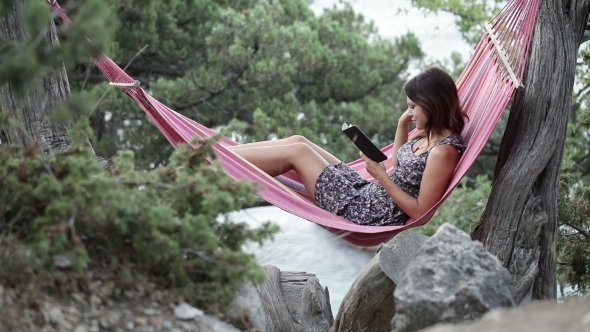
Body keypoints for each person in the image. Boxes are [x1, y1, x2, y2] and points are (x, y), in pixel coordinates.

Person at [229, 67, 467, 226]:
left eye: (413, 107)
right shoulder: (427, 134)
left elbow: (421, 213)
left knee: (298, 152)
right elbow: (400, 164)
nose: (409, 113)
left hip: (366, 212)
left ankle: (216, 159)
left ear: (433, 105)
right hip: (365, 192)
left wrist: (381, 177)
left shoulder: (443, 152)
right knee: (299, 140)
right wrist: (401, 125)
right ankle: (220, 154)